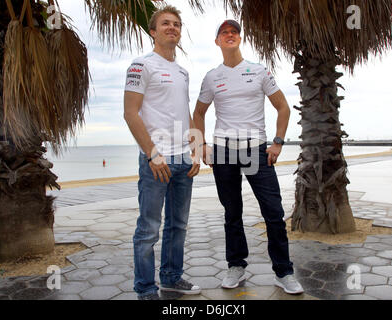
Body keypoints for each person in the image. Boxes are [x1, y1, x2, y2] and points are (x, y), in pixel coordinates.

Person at [193, 20, 304, 294]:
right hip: (223, 150)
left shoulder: (258, 70)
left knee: (273, 212)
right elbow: (198, 113)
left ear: (239, 39)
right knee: (232, 213)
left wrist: (277, 142)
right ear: (217, 41)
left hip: (256, 149)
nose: (230, 35)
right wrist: (201, 146)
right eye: (224, 33)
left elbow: (283, 108)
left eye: (234, 32)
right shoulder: (211, 77)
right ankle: (236, 267)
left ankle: (283, 272)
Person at [123, 5, 201, 300]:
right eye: (166, 23)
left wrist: (195, 150)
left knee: (178, 225)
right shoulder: (141, 65)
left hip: (183, 159)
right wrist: (152, 154)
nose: (172, 28)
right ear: (153, 31)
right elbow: (131, 113)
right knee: (149, 229)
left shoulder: (182, 72)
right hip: (157, 160)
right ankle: (145, 289)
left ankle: (171, 278)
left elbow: (185, 113)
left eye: (177, 24)